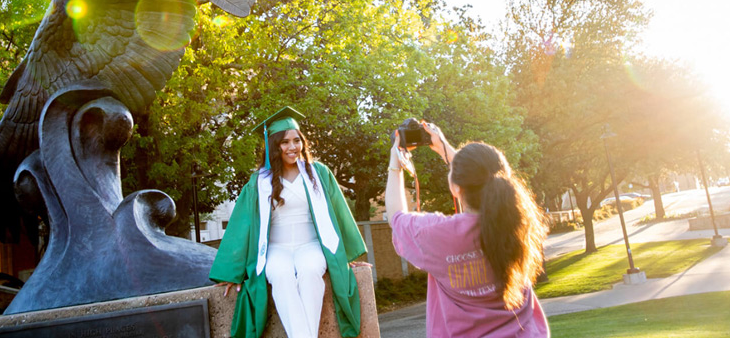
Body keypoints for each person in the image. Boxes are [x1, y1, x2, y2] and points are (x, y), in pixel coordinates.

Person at [210, 106, 368, 338]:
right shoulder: (259, 182)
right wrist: (230, 272)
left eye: (297, 140)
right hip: (275, 249)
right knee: (281, 276)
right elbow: (241, 226)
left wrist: (346, 254)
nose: (292, 147)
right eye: (285, 142)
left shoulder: (318, 173)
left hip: (311, 244)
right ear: (274, 146)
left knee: (310, 271)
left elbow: (339, 213)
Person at [386, 122, 549, 337]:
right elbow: (488, 179)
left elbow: (396, 216)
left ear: (455, 187)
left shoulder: (438, 234)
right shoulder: (518, 223)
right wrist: (446, 149)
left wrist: (395, 164)